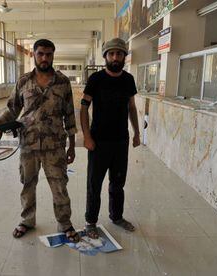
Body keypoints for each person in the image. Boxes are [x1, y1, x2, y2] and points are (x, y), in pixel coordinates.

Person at [0, 39, 79, 242]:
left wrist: (72, 145)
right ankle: (27, 220)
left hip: (55, 147)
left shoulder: (63, 82)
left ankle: (64, 223)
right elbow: (12, 109)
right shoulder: (24, 81)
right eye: (41, 54)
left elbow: (69, 115)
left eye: (49, 54)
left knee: (59, 186)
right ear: (34, 55)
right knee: (27, 184)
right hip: (28, 145)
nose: (45, 58)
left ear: (53, 55)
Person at [80, 38, 140, 239]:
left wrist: (137, 132)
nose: (115, 57)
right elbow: (83, 108)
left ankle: (117, 217)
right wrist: (86, 137)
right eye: (111, 54)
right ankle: (91, 221)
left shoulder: (128, 80)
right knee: (94, 184)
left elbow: (131, 107)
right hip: (98, 142)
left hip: (121, 141)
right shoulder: (96, 79)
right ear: (105, 56)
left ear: (124, 56)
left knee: (118, 182)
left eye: (119, 54)